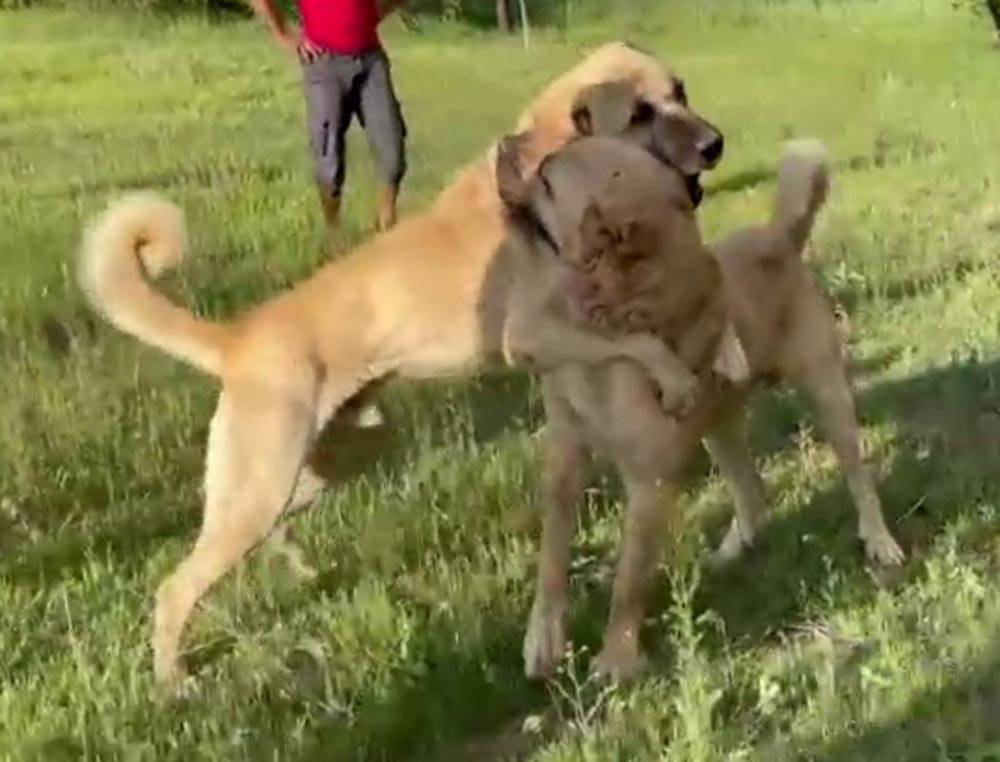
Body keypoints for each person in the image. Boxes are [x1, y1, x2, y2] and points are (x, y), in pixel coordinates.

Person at [250, 0, 408, 243]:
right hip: (324, 62)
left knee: (392, 150)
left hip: (370, 60)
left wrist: (374, 15)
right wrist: (282, 33)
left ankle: (386, 225)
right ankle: (334, 234)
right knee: (328, 162)